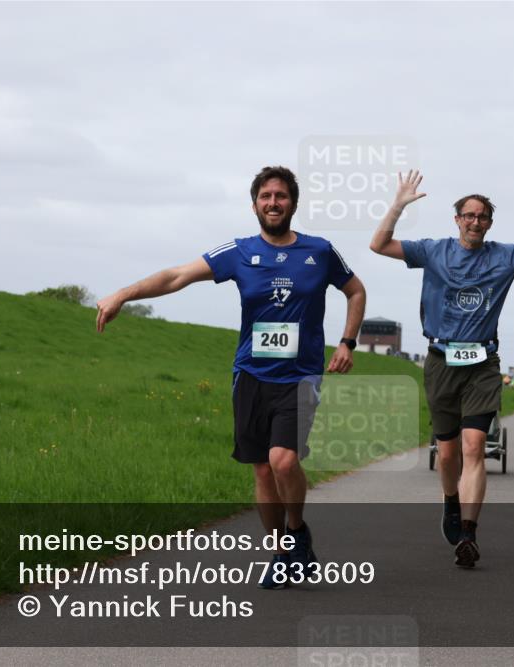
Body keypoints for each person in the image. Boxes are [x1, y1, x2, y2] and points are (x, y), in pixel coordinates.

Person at [95, 166, 366, 588]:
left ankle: (296, 531)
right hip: (251, 375)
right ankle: (279, 552)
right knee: (261, 470)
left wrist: (348, 341)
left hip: (300, 375)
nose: (273, 203)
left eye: (281, 196)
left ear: (294, 202)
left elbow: (356, 290)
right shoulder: (239, 251)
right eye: (265, 196)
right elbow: (177, 276)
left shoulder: (320, 250)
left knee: (284, 460)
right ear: (255, 203)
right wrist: (122, 295)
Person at [369, 165, 514, 567]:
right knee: (447, 454)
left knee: (474, 447)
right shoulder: (433, 251)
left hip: (483, 361)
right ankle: (451, 502)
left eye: (482, 216)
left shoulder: (504, 256)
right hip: (440, 360)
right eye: (468, 215)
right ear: (457, 220)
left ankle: (468, 534)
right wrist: (398, 205)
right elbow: (379, 245)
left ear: (489, 223)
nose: (475, 221)